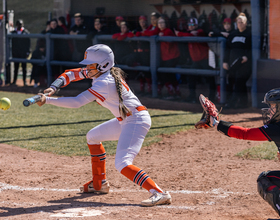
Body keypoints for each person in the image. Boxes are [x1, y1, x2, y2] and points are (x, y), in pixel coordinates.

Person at [36, 44, 172, 206]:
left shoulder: (104, 82)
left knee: (122, 163)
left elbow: (76, 102)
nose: (87, 68)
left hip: (136, 121)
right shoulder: (99, 72)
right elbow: (70, 74)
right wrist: (53, 88)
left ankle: (159, 192)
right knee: (92, 136)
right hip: (125, 120)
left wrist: (48, 100)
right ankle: (99, 184)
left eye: (90, 64)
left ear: (104, 64)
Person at [204, 88, 280, 217]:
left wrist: (216, 123)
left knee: (265, 179)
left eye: (273, 106)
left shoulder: (276, 129)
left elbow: (245, 133)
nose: (270, 110)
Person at [176, 17, 215, 103]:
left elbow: (191, 35)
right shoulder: (188, 33)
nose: (191, 26)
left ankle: (212, 97)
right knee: (191, 78)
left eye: (193, 25)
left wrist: (179, 33)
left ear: (197, 25)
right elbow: (188, 35)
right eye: (189, 25)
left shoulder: (200, 31)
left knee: (210, 78)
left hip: (205, 60)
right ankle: (192, 96)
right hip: (195, 61)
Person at [223, 13, 252, 109]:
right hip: (233, 64)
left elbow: (253, 48)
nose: (239, 24)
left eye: (241, 22)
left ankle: (231, 103)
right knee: (238, 83)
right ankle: (243, 104)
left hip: (245, 64)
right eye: (238, 22)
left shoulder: (249, 34)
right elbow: (227, 49)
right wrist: (225, 61)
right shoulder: (233, 34)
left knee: (239, 81)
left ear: (245, 23)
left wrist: (247, 57)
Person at [157, 16, 181, 99]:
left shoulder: (168, 31)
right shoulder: (160, 31)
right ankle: (174, 92)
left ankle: (173, 93)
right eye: (159, 23)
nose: (160, 24)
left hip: (172, 56)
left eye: (162, 22)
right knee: (168, 75)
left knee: (166, 74)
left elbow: (169, 40)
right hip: (165, 57)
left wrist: (161, 36)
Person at [11, 19, 30, 86]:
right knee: (16, 68)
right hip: (16, 52)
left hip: (23, 53)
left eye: (21, 24)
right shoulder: (13, 33)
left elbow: (28, 43)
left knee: (24, 67)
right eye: (19, 24)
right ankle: (14, 81)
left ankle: (24, 81)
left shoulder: (26, 32)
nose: (20, 26)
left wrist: (28, 52)